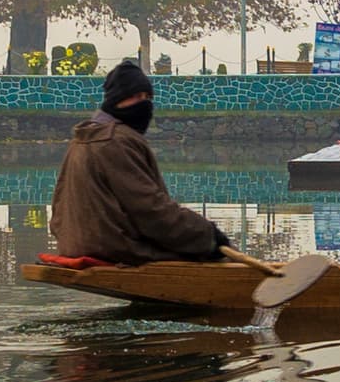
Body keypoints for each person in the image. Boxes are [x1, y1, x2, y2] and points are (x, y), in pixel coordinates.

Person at [48, 61, 235, 266]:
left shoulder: (82, 139)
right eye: (135, 97)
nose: (143, 104)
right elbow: (150, 210)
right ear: (117, 99)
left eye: (147, 98)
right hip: (113, 246)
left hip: (75, 243)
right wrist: (208, 236)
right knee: (212, 256)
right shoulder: (116, 141)